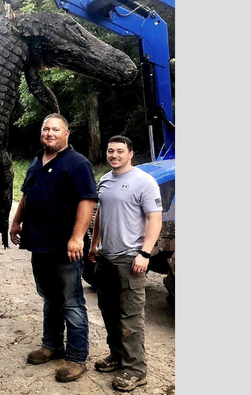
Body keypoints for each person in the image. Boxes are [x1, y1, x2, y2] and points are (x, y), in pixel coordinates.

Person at [9, 113, 97, 383]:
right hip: (39, 244)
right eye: (45, 128)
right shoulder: (37, 161)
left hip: (65, 247)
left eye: (55, 129)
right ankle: (52, 345)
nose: (49, 133)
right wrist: (16, 222)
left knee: (72, 303)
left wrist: (77, 237)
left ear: (66, 134)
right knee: (50, 298)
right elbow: (26, 194)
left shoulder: (77, 163)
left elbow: (87, 200)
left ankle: (76, 357)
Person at [87, 135, 162, 392]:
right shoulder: (105, 180)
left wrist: (145, 253)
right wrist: (94, 242)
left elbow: (155, 219)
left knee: (130, 316)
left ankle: (136, 369)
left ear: (131, 153)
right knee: (108, 311)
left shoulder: (144, 182)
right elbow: (100, 215)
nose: (114, 155)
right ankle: (117, 356)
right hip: (105, 257)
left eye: (120, 151)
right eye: (110, 151)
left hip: (130, 258)